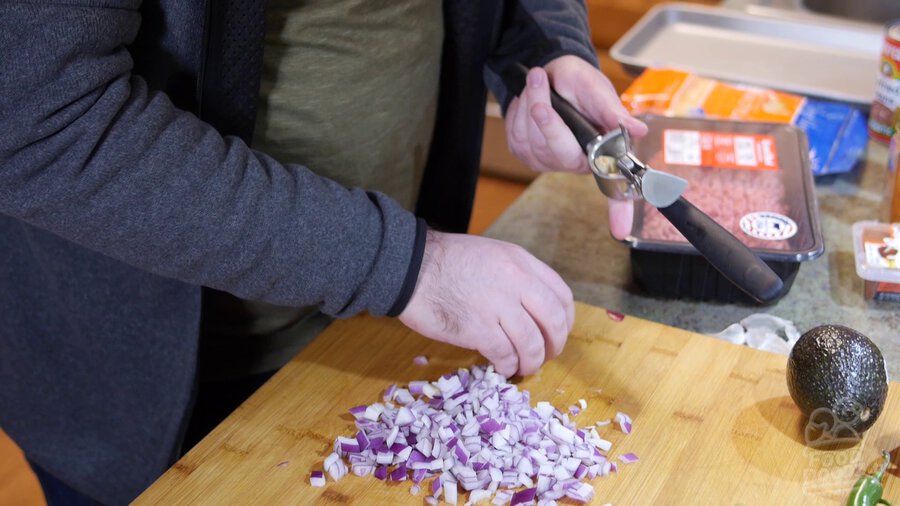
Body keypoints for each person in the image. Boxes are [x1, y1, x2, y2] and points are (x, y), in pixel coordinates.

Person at [0, 1, 645, 504]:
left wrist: (545, 50)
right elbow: (41, 118)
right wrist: (403, 265)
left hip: (377, 329)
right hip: (143, 379)